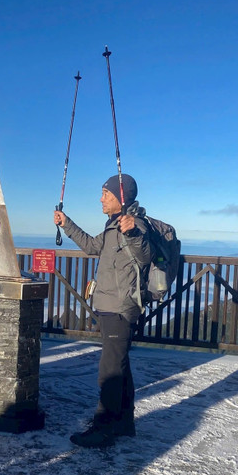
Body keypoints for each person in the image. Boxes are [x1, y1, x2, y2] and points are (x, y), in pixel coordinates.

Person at [54, 173, 151, 448]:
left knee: (109, 371)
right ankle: (123, 423)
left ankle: (103, 428)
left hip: (120, 308)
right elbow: (90, 246)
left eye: (105, 194)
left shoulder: (135, 225)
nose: (101, 199)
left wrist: (132, 232)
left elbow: (145, 254)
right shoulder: (112, 227)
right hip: (110, 307)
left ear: (121, 198)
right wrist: (67, 223)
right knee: (120, 368)